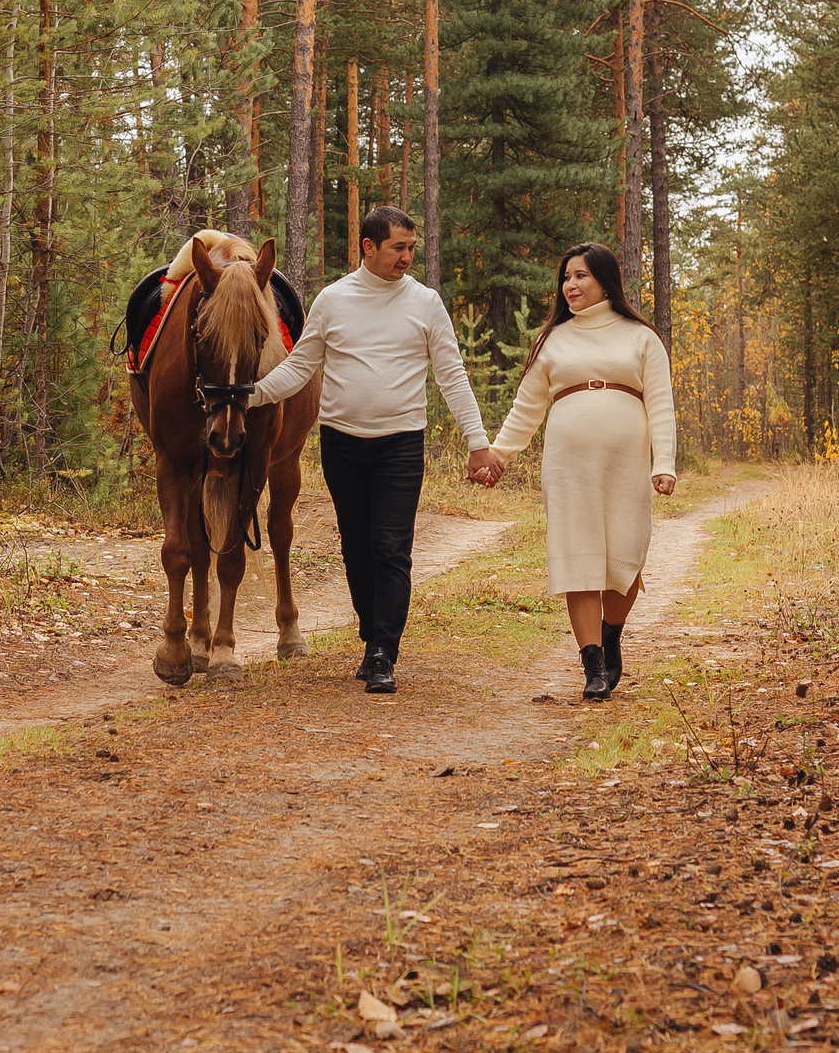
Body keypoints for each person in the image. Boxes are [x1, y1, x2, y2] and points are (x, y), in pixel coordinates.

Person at [247, 206, 505, 695]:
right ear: (369, 247)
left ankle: (383, 650)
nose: (408, 256)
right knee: (356, 549)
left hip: (401, 446)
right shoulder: (332, 300)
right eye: (398, 248)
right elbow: (301, 367)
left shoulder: (426, 303)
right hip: (341, 444)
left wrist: (478, 443)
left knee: (391, 550)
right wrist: (252, 395)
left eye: (411, 247)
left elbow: (451, 376)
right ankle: (372, 635)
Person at [484, 243, 677, 702]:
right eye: (566, 278)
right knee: (579, 556)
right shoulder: (554, 339)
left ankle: (611, 636)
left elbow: (662, 404)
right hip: (568, 464)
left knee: (626, 556)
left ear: (604, 280)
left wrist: (664, 462)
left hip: (627, 462)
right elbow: (526, 409)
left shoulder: (641, 337)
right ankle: (592, 664)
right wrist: (497, 456)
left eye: (581, 276)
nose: (570, 285)